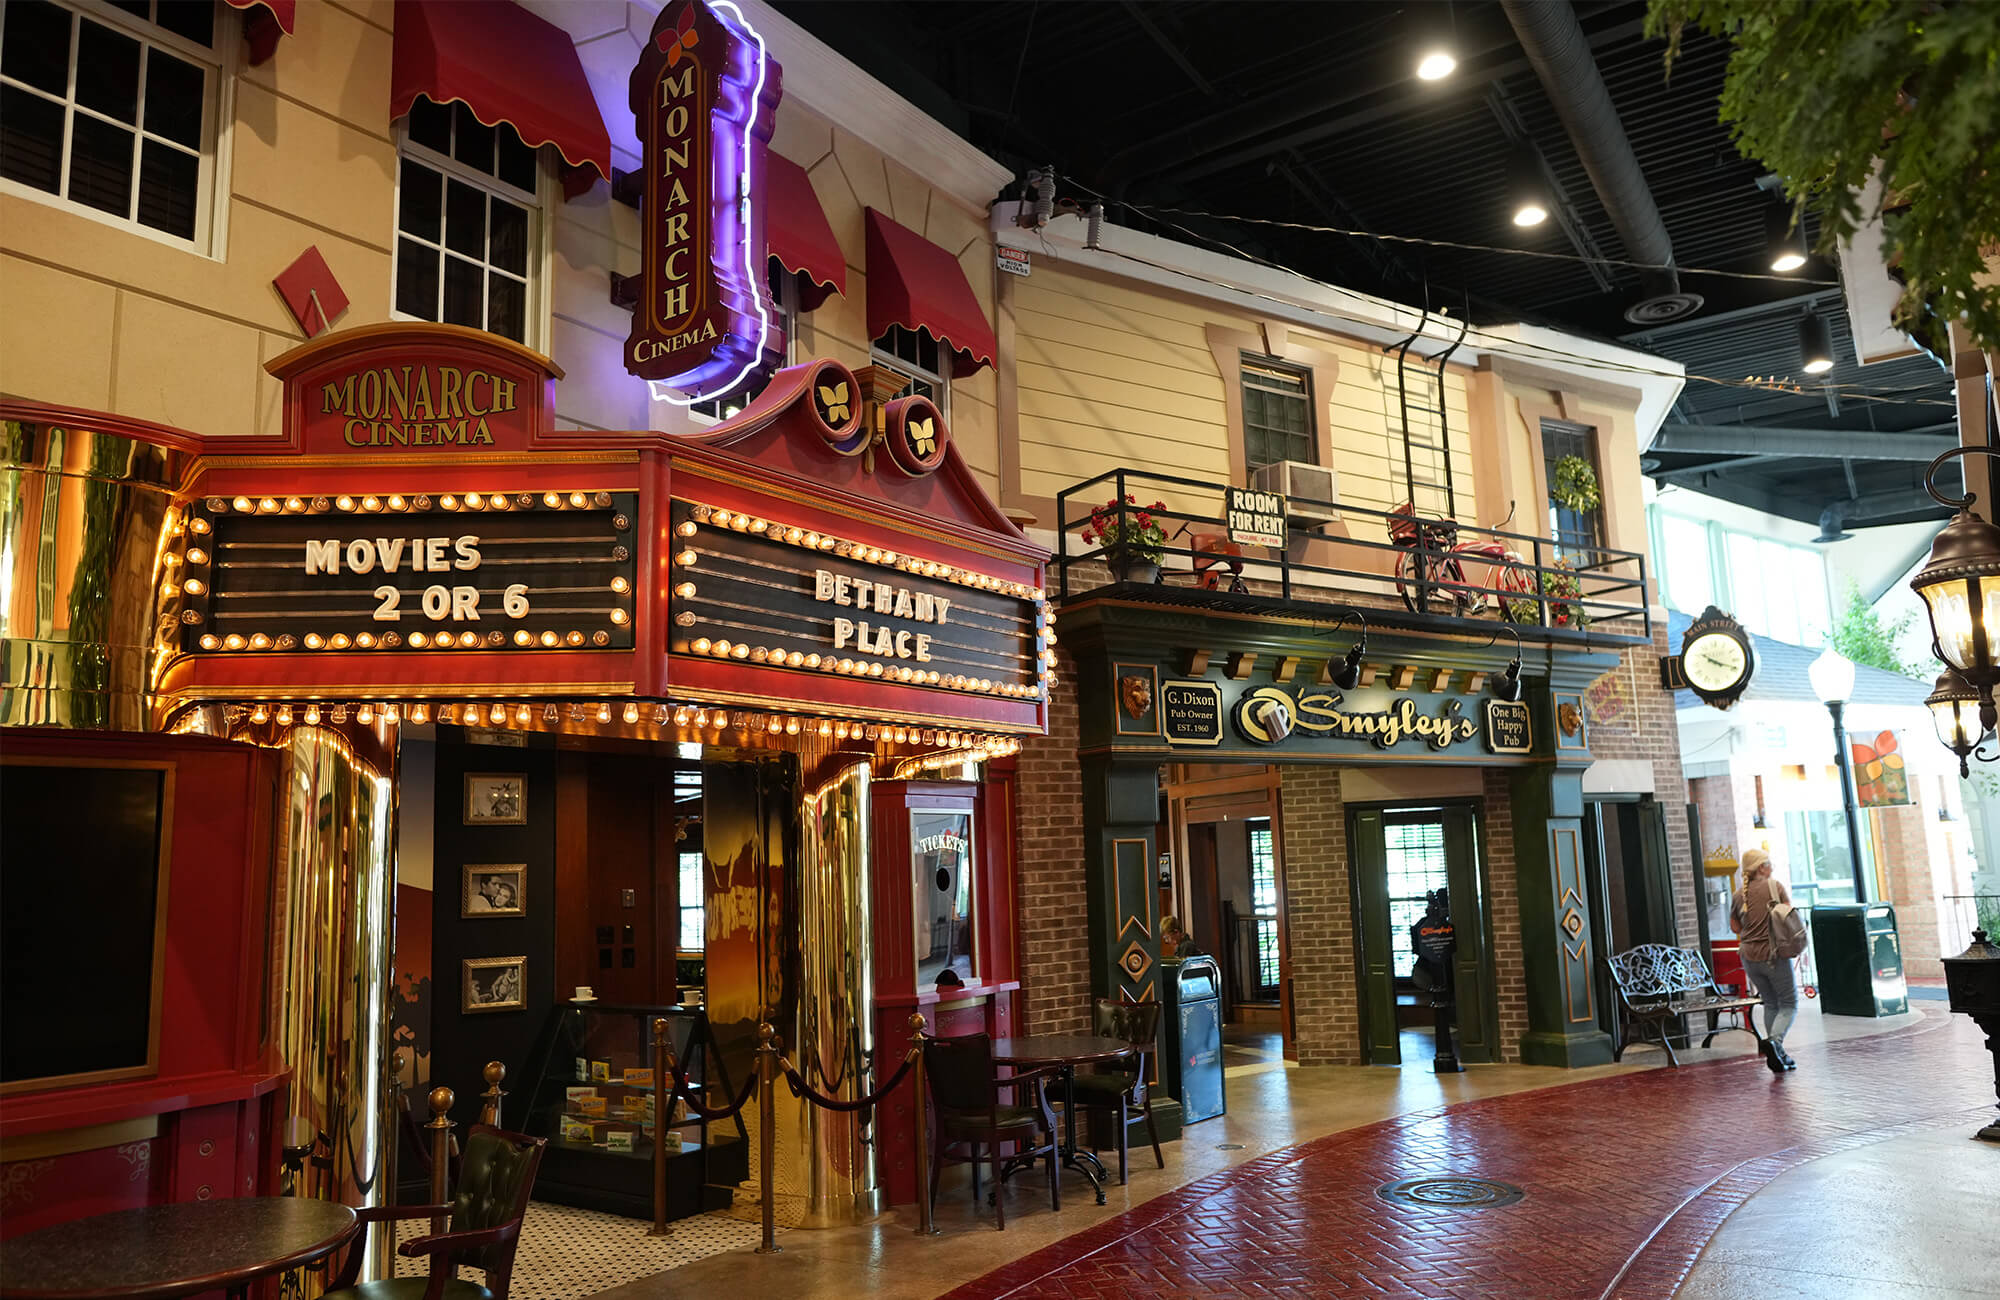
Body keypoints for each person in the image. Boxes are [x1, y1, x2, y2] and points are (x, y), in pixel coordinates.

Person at [1730, 848, 1798, 1073]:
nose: (1772, 868)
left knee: (1771, 1003)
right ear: (1761, 867)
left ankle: (1778, 1054)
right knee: (1789, 1003)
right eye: (1769, 863)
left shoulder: (1739, 894)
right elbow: (1788, 913)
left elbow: (1735, 927)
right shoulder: (1774, 887)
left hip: (1749, 957)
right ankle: (1774, 1043)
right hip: (1773, 955)